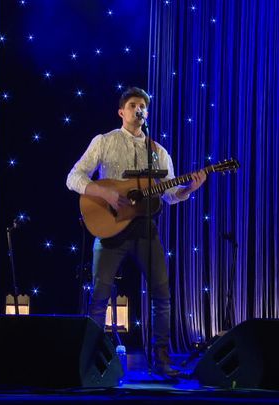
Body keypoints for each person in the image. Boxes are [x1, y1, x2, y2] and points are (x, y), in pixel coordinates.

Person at [66, 87, 206, 377]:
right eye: (133, 105)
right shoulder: (104, 142)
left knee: (162, 294)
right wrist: (104, 195)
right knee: (99, 295)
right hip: (109, 229)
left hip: (145, 229)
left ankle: (162, 360)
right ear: (122, 112)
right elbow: (74, 177)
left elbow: (169, 194)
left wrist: (190, 188)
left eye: (143, 105)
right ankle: (88, 361)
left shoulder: (158, 152)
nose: (139, 109)